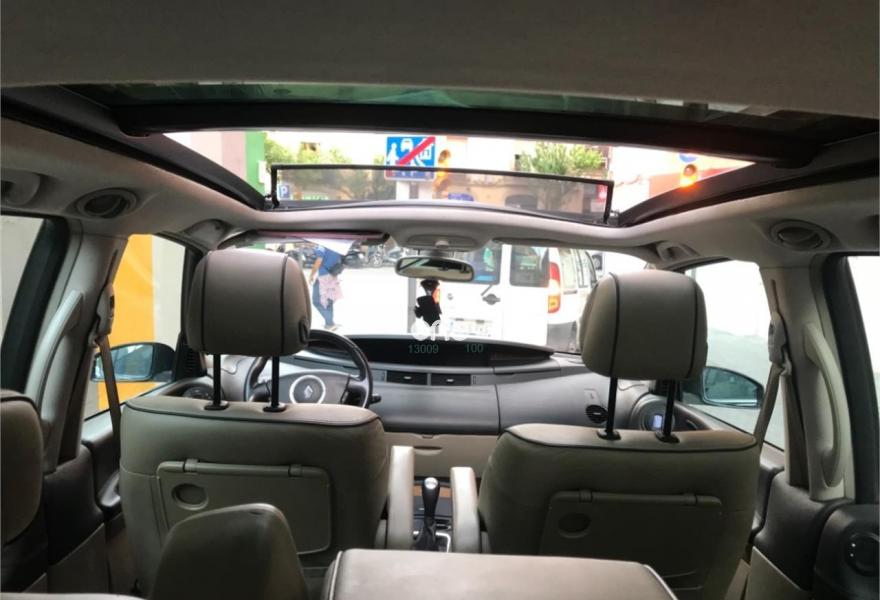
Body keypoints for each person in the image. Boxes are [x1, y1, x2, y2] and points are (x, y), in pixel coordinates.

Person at [309, 245, 344, 331]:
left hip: (323, 277)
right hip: (333, 275)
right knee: (329, 300)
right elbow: (338, 260)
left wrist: (311, 275)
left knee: (316, 301)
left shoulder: (321, 247)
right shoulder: (336, 247)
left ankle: (330, 323)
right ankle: (328, 324)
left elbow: (318, 261)